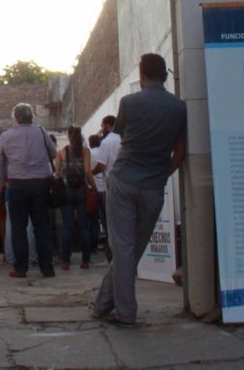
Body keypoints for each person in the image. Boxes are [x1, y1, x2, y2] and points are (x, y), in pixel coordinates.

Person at [92, 54, 187, 326]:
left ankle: (125, 313)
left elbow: (124, 136)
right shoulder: (178, 107)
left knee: (123, 249)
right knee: (133, 249)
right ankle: (102, 305)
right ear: (165, 76)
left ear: (142, 76)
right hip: (153, 186)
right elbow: (180, 150)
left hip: (124, 179)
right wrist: (163, 172)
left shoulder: (129, 102)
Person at [0, 102, 57, 278]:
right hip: (40, 184)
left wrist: (5, 180)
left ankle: (21, 267)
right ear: (31, 118)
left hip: (17, 184)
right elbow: (53, 153)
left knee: (18, 227)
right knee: (42, 226)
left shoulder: (6, 136)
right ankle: (47, 267)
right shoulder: (41, 132)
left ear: (15, 118)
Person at [55, 125, 96, 270]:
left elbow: (57, 173)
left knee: (67, 226)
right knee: (84, 226)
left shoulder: (61, 152)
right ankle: (85, 260)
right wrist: (93, 186)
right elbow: (87, 171)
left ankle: (66, 260)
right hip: (81, 191)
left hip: (66, 192)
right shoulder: (85, 151)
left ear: (68, 136)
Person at [90, 114, 121, 260]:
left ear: (108, 125)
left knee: (110, 222)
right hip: (126, 184)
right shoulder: (124, 138)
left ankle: (112, 254)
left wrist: (90, 173)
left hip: (111, 186)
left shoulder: (107, 142)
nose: (101, 128)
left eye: (102, 125)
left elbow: (101, 166)